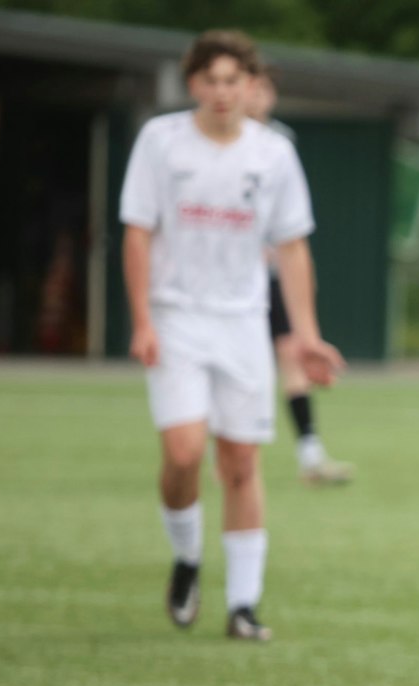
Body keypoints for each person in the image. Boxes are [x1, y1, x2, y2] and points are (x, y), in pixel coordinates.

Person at [120, 30, 344, 641]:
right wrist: (142, 320)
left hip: (243, 322)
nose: (222, 92)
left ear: (251, 86)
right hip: (176, 317)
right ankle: (187, 556)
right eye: (211, 80)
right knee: (184, 453)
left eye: (233, 80)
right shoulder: (160, 141)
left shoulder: (273, 153)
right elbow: (137, 232)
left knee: (242, 461)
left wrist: (307, 336)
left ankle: (244, 605)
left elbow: (292, 247)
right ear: (194, 84)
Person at [245, 68, 354, 487]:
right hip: (229, 285)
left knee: (291, 354)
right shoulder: (205, 141)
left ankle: (310, 454)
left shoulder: (279, 143)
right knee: (237, 367)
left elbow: (289, 224)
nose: (256, 96)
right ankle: (227, 453)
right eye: (250, 87)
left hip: (273, 278)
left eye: (264, 88)